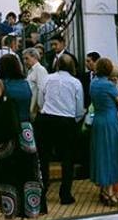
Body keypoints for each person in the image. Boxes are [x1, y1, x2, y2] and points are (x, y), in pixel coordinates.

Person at [0, 54, 43, 220]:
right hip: (27, 133)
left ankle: (8, 218)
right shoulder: (26, 84)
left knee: (6, 175)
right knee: (28, 174)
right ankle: (28, 217)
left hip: (7, 134)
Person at [36, 53, 85, 207]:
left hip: (46, 119)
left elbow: (40, 100)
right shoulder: (76, 83)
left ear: (57, 65)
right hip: (66, 122)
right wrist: (74, 120)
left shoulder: (47, 79)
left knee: (43, 158)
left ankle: (42, 192)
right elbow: (79, 108)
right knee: (67, 159)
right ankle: (65, 194)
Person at [90, 58, 118, 206]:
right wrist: (116, 85)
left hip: (98, 120)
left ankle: (103, 189)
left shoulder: (93, 83)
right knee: (111, 154)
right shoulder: (108, 85)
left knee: (101, 154)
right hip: (110, 121)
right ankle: (110, 193)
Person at [22, 47, 49, 120]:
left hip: (37, 109)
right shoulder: (31, 70)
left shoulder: (40, 70)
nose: (25, 61)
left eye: (27, 58)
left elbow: (42, 90)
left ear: (34, 57)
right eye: (23, 59)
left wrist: (39, 107)